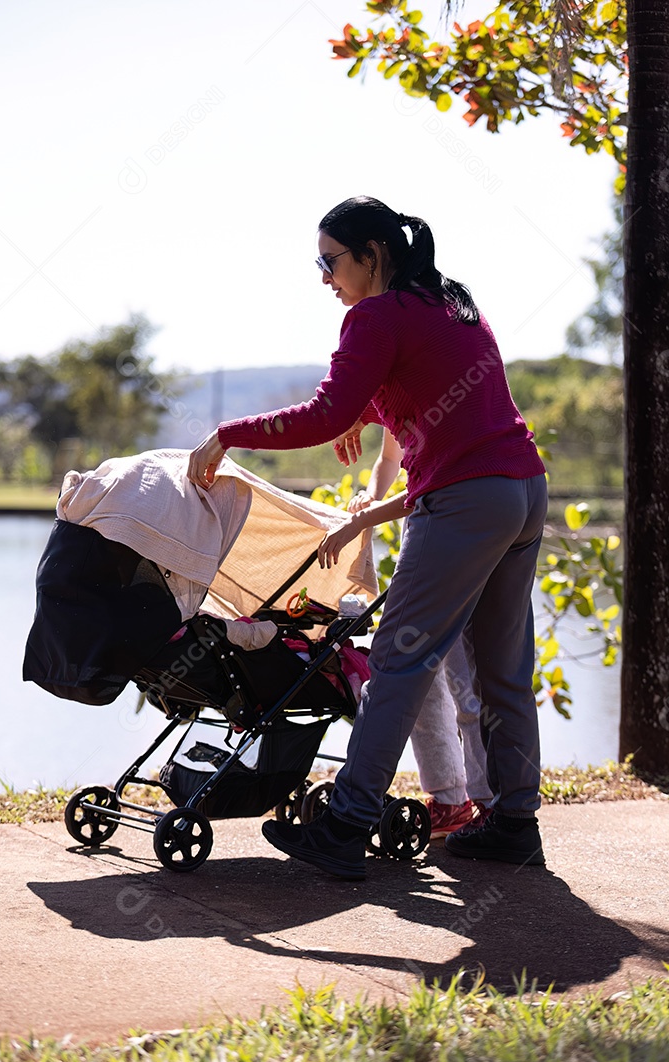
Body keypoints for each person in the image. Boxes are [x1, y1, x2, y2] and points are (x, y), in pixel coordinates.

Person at [187, 195, 548, 879]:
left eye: (330, 262)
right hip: (522, 492)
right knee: (503, 672)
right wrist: (376, 406)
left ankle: (346, 824)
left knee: (397, 658)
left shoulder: (374, 315)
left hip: (463, 502)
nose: (325, 278)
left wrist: (228, 435)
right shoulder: (451, 303)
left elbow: (325, 414)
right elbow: (438, 394)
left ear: (370, 256)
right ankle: (514, 824)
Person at [342, 427, 493, 836]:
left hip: (455, 532)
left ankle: (489, 802)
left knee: (466, 681)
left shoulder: (440, 391)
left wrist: (368, 516)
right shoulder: (396, 396)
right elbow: (390, 459)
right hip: (420, 539)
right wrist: (372, 493)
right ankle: (449, 798)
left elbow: (431, 485)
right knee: (419, 681)